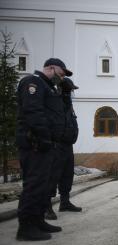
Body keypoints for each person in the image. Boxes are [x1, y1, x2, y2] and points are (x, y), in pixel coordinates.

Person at [15, 58, 72, 241]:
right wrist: (45, 137)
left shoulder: (48, 87)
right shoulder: (33, 83)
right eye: (61, 74)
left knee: (43, 185)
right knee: (33, 185)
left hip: (46, 146)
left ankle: (38, 220)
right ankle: (26, 227)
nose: (62, 78)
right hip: (35, 144)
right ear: (51, 68)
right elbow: (33, 113)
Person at [45, 78, 81, 220]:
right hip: (57, 145)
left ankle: (65, 202)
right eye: (70, 90)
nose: (72, 93)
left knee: (67, 174)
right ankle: (47, 207)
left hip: (68, 145)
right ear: (62, 89)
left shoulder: (68, 104)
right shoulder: (56, 103)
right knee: (53, 175)